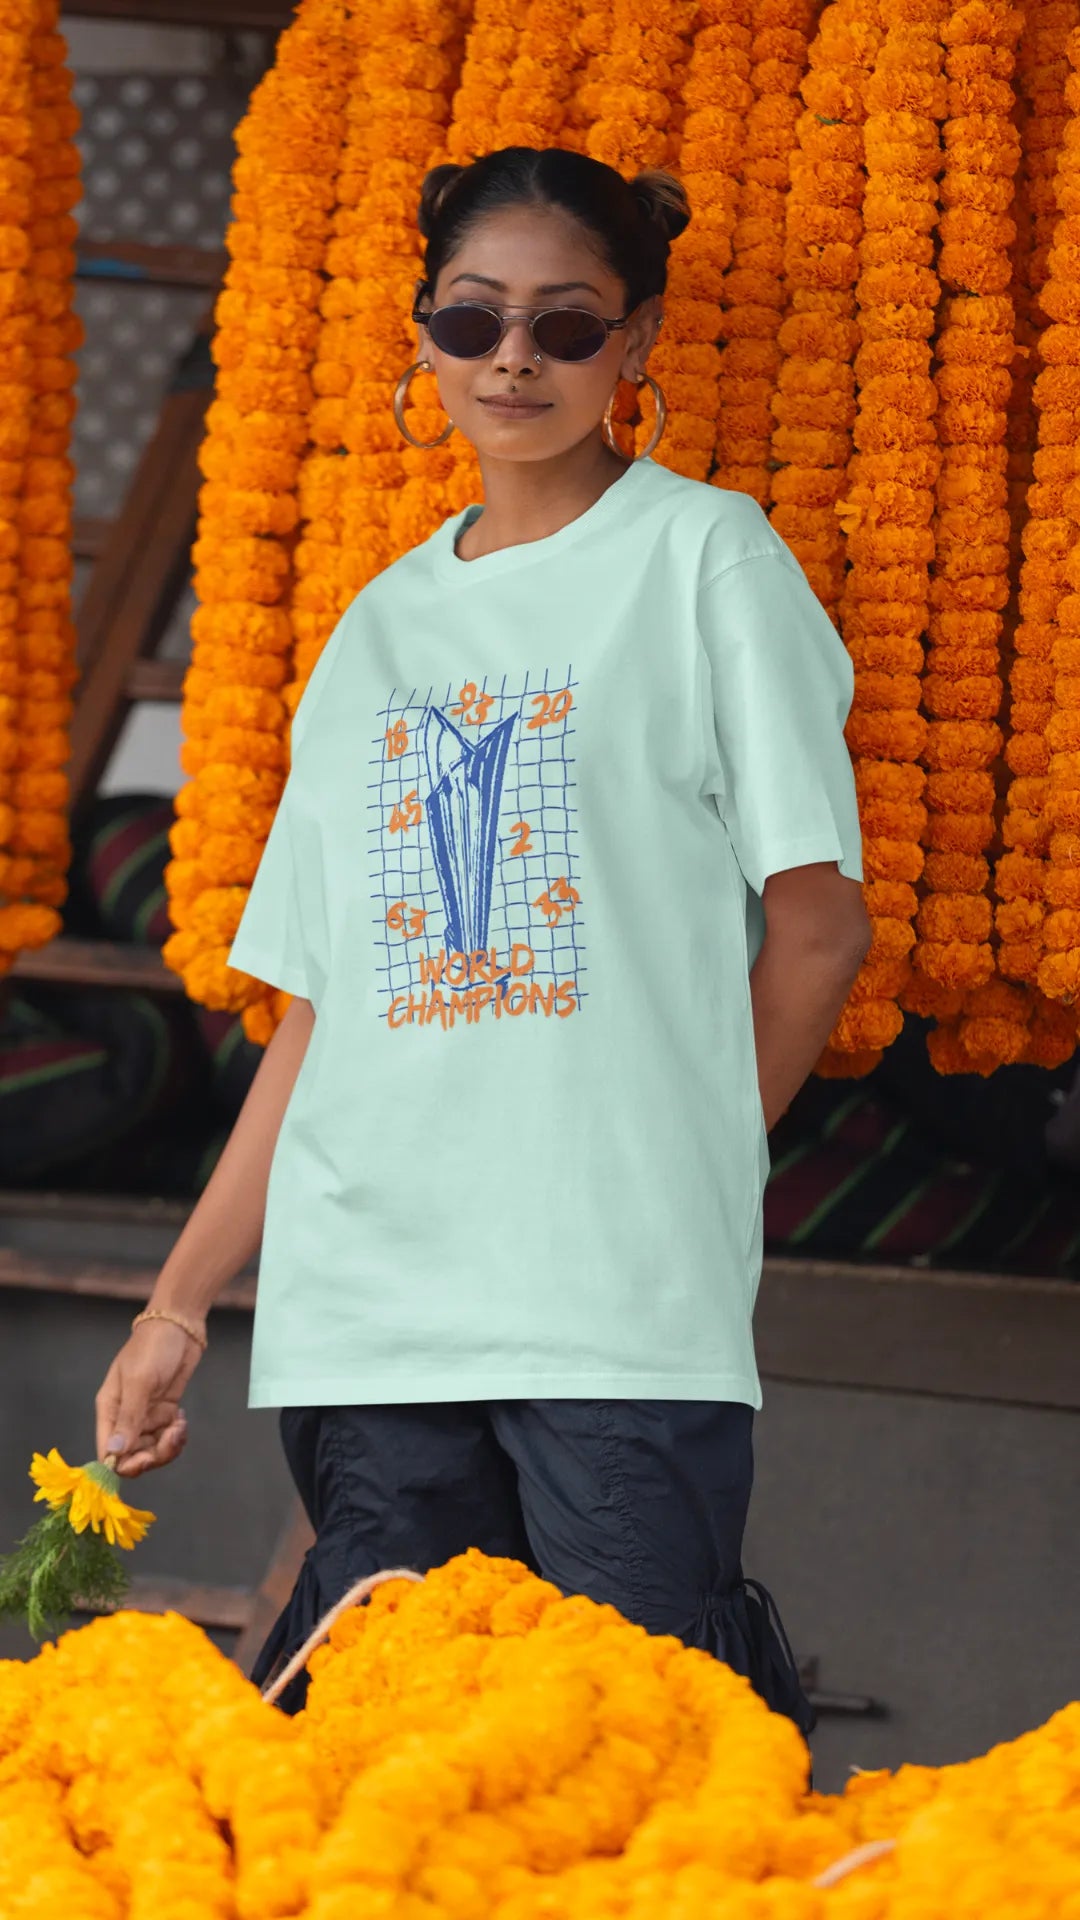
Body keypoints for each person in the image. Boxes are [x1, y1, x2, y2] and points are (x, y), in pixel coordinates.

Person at [95, 147, 870, 1725]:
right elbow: (323, 1015)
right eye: (474, 320)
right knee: (397, 1766)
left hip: (615, 1304)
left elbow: (818, 934)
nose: (514, 357)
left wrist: (695, 1158)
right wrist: (180, 1303)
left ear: (634, 343)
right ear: (424, 336)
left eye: (566, 325)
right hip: (370, 1304)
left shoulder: (707, 562)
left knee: (630, 1752)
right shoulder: (376, 629)